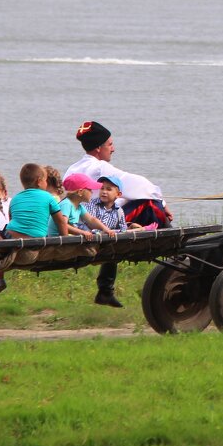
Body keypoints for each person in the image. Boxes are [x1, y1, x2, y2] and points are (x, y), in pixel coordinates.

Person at [66, 121, 173, 228]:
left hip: (77, 221)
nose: (113, 149)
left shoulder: (72, 169)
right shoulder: (100, 167)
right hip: (97, 223)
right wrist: (162, 202)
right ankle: (170, 239)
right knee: (151, 203)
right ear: (98, 148)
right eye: (110, 145)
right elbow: (139, 184)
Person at [0, 162, 65, 295]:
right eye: (46, 180)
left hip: (11, 236)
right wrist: (64, 239)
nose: (46, 183)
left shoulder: (15, 198)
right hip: (35, 240)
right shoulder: (48, 197)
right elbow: (61, 222)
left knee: (2, 234)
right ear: (39, 181)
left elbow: (11, 219)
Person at [84, 175, 129, 308]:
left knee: (115, 251)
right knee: (110, 249)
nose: (104, 191)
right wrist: (106, 232)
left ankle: (105, 292)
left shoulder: (119, 211)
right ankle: (105, 292)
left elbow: (123, 229)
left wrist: (124, 230)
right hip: (89, 240)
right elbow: (90, 223)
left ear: (118, 194)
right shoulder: (92, 204)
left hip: (106, 241)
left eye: (109, 189)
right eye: (102, 188)